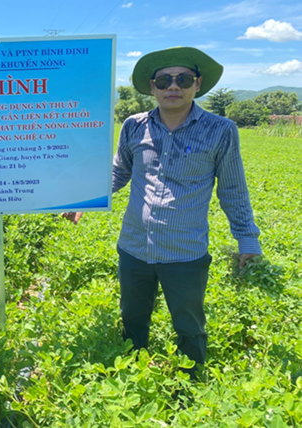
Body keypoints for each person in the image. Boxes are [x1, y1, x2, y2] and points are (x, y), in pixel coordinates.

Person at [64, 47, 262, 374]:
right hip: (134, 247)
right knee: (133, 319)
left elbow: (233, 190)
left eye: (182, 79)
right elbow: (118, 171)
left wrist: (247, 240)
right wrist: (85, 199)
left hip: (185, 252)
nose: (173, 86)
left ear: (197, 84)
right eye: (164, 80)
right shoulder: (133, 126)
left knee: (189, 325)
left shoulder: (220, 130)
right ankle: (133, 379)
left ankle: (191, 388)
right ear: (152, 87)